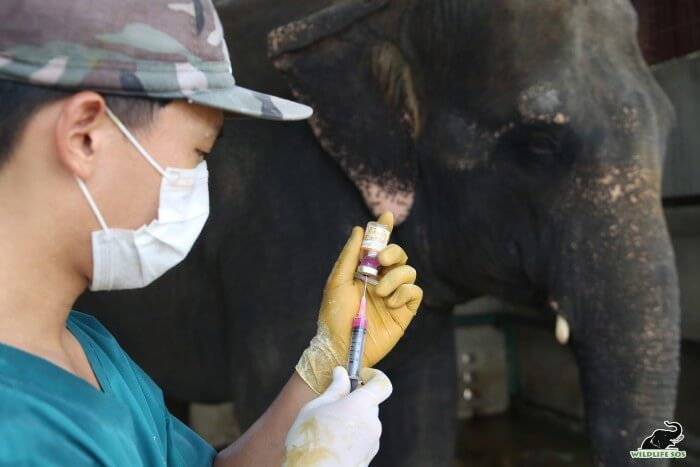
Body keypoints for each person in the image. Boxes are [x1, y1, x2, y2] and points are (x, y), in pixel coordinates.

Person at [0, 1, 423, 466]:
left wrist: (327, 359)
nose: (200, 184)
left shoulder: (84, 345)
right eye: (199, 152)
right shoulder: (16, 428)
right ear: (85, 135)